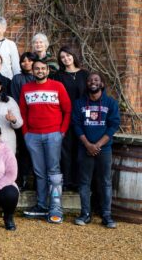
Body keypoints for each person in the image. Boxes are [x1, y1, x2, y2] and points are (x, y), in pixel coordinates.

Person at [20, 59, 71, 223]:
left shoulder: (58, 87)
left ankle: (55, 208)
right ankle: (42, 205)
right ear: (32, 71)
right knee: (39, 172)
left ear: (48, 70)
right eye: (37, 68)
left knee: (54, 171)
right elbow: (22, 112)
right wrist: (26, 133)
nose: (40, 71)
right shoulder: (26, 88)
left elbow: (68, 110)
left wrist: (61, 132)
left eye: (43, 68)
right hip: (33, 136)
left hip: (53, 134)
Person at [72, 72, 120, 228]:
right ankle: (85, 214)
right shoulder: (79, 103)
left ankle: (106, 215)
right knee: (84, 182)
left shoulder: (111, 103)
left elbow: (113, 126)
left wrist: (97, 145)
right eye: (90, 80)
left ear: (102, 84)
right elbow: (76, 125)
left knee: (106, 182)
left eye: (96, 80)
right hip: (84, 148)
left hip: (104, 149)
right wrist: (88, 144)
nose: (93, 82)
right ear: (87, 84)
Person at [52, 46, 89, 191]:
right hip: (64, 117)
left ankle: (79, 182)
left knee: (80, 149)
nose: (66, 59)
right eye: (62, 57)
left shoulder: (85, 74)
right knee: (65, 150)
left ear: (73, 55)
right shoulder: (58, 76)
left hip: (81, 117)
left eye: (68, 55)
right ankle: (67, 181)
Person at [10, 51, 36, 189]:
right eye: (23, 61)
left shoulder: (39, 78)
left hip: (37, 121)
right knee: (23, 151)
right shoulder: (17, 79)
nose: (26, 63)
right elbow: (15, 99)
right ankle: (23, 180)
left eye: (30, 60)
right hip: (22, 120)